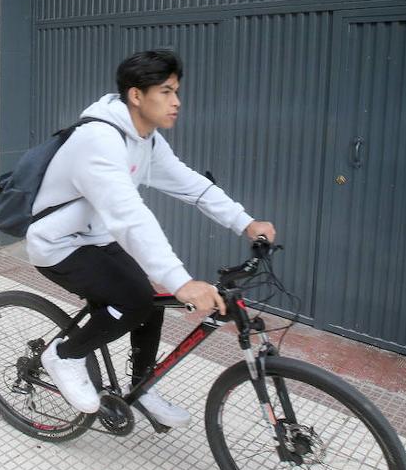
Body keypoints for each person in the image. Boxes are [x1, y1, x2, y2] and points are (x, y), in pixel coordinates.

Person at [28, 50, 275, 428]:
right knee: (136, 299)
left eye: (176, 90)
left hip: (96, 237)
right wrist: (182, 281)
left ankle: (141, 387)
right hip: (58, 245)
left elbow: (190, 185)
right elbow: (129, 216)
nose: (176, 101)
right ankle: (64, 355)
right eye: (165, 91)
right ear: (136, 96)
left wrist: (244, 222)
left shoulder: (147, 140)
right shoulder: (99, 139)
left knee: (150, 301)